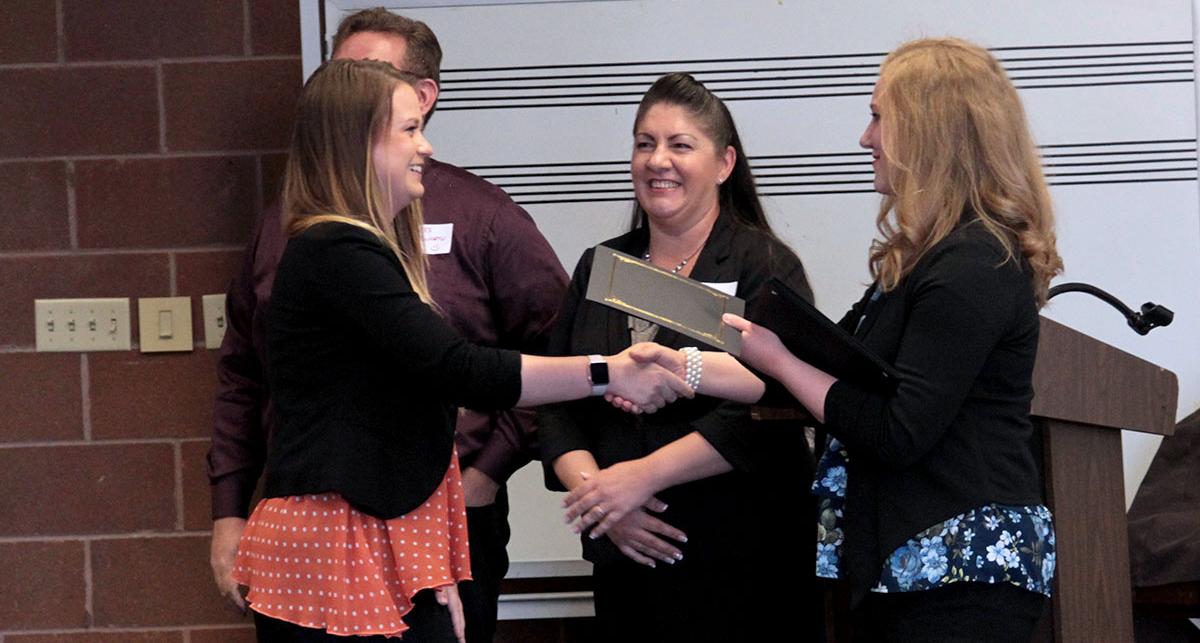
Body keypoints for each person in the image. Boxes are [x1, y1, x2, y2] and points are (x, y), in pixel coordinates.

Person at [580, 38, 1065, 642]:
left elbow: (897, 429)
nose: (867, 139)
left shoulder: (972, 262)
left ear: (929, 131)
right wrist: (685, 366)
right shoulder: (929, 259)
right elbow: (822, 362)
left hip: (961, 570)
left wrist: (777, 359)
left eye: (879, 118)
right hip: (911, 567)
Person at [231, 58, 690, 642]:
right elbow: (459, 369)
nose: (426, 145)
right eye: (408, 129)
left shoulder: (355, 248)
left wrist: (427, 562)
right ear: (358, 144)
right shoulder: (335, 248)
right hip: (334, 542)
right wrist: (608, 373)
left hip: (380, 529)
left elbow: (406, 400)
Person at [207, 10, 569, 643]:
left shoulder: (484, 218)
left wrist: (483, 474)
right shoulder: (309, 237)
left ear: (421, 98)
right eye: (340, 75)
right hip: (329, 526)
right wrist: (228, 509)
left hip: (437, 514)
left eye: (366, 73)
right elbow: (244, 373)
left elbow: (545, 341)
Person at [538, 73, 818, 642]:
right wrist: (605, 501)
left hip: (745, 559)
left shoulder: (764, 265)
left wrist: (640, 479)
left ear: (724, 163)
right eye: (645, 143)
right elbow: (555, 401)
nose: (657, 160)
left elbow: (777, 406)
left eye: (679, 145)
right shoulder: (602, 266)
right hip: (625, 561)